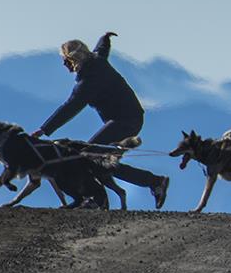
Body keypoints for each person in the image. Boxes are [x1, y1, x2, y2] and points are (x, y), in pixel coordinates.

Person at [32, 32, 169, 208]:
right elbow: (101, 50)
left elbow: (70, 107)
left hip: (125, 121)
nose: (63, 64)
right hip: (129, 118)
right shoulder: (96, 60)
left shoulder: (88, 82)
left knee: (89, 156)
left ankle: (151, 182)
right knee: (98, 161)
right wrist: (105, 38)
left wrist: (43, 129)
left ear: (74, 59)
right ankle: (151, 182)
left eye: (65, 59)